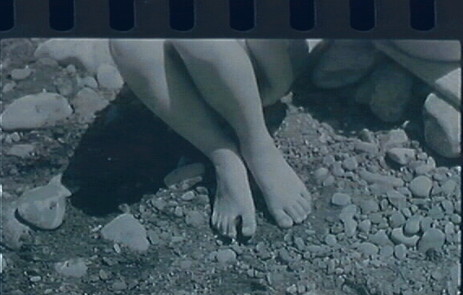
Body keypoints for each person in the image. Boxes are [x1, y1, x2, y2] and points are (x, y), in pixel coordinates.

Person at [109, 39, 312, 239]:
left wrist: (275, 87)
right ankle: (223, 154)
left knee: (196, 35)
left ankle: (258, 146)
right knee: (127, 42)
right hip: (196, 70)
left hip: (267, 61)